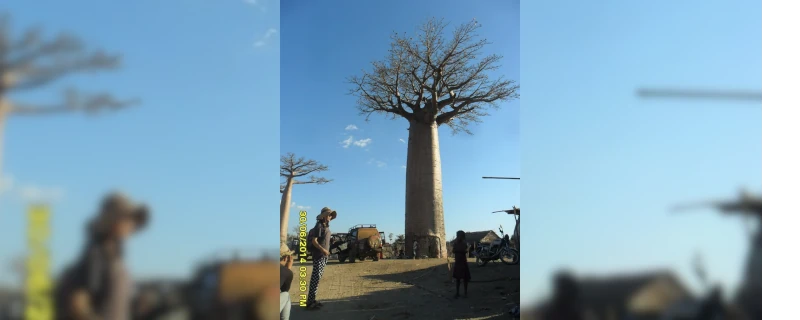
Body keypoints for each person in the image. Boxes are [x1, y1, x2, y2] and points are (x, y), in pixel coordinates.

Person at [54, 192, 150, 320]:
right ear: (112, 220)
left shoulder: (113, 254)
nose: (131, 224)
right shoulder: (97, 254)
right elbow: (79, 303)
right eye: (127, 218)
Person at [305, 207, 337, 310]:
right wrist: (323, 250)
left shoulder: (325, 226)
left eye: (331, 215)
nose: (330, 217)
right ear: (323, 216)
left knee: (317, 279)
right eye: (329, 215)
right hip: (319, 256)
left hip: (323, 256)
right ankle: (310, 303)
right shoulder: (319, 226)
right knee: (315, 279)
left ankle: (313, 300)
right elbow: (314, 241)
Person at [452, 231, 471, 298]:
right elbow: (453, 251)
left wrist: (459, 251)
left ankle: (465, 293)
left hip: (463, 262)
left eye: (459, 236)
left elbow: (466, 250)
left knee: (465, 279)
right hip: (458, 263)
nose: (458, 237)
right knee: (458, 279)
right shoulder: (456, 243)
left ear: (462, 237)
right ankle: (457, 293)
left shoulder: (464, 244)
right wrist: (459, 251)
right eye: (457, 236)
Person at [279, 244, 295, 320]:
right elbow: (284, 289)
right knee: (286, 295)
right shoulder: (286, 272)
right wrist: (288, 269)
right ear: (286, 258)